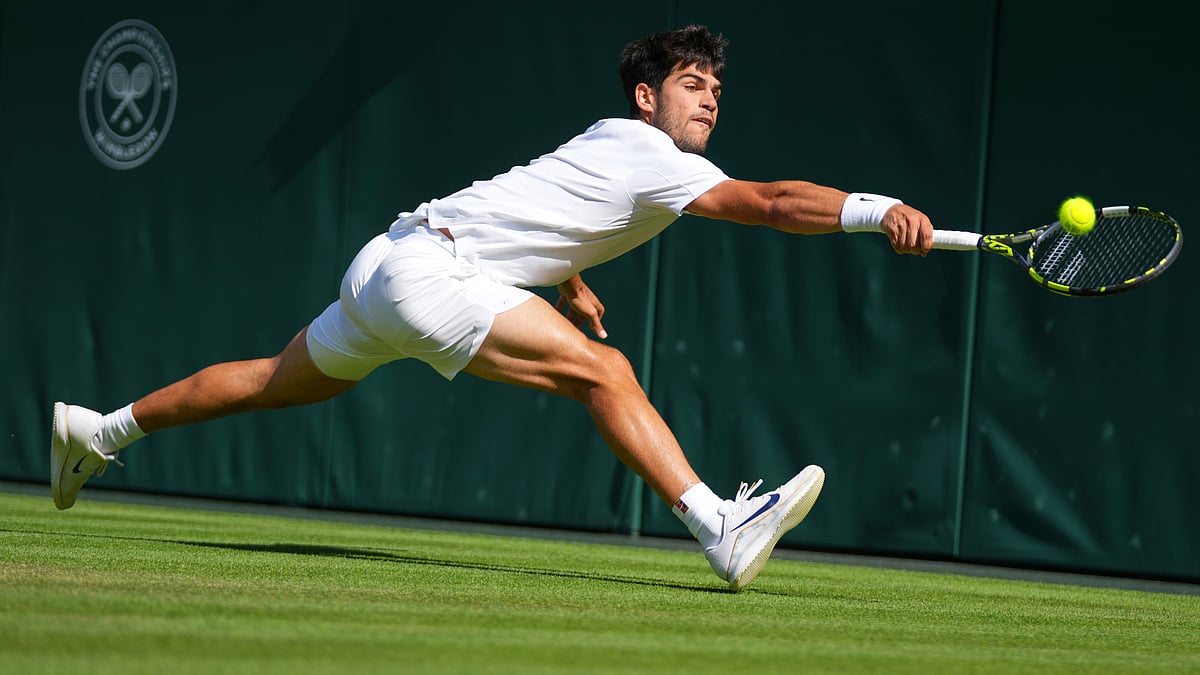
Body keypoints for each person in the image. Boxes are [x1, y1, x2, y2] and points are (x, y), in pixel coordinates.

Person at [50, 25, 933, 591]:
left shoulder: (610, 146)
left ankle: (98, 430)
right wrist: (873, 208)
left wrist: (568, 277)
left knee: (273, 380)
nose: (709, 97)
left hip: (387, 261)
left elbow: (543, 214)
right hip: (431, 272)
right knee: (606, 373)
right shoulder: (653, 154)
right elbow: (774, 202)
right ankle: (720, 524)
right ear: (645, 95)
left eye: (715, 89)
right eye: (693, 82)